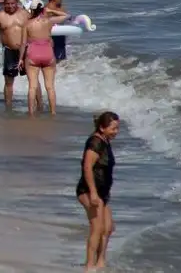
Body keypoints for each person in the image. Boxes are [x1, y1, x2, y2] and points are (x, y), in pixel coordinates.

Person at [0, 0, 42, 110]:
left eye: (12, 3)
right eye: (7, 4)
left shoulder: (25, 14)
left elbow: (37, 26)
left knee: (33, 79)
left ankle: (40, 105)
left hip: (26, 50)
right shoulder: (0, 16)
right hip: (9, 51)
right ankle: (8, 107)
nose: (10, 6)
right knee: (9, 81)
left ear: (17, 2)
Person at [76, 111, 120, 270]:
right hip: (88, 190)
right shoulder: (95, 142)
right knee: (97, 227)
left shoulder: (106, 141)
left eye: (117, 128)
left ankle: (101, 261)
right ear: (102, 128)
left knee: (108, 228)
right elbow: (87, 167)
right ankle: (89, 266)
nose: (116, 132)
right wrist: (93, 193)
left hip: (102, 193)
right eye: (113, 128)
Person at [19, 0, 70, 115]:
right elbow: (66, 16)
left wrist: (20, 59)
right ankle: (53, 112)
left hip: (33, 54)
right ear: (42, 9)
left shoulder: (27, 24)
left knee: (32, 87)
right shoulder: (49, 21)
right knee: (50, 87)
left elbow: (23, 44)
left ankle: (31, 113)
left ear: (31, 10)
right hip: (48, 53)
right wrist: (51, 10)